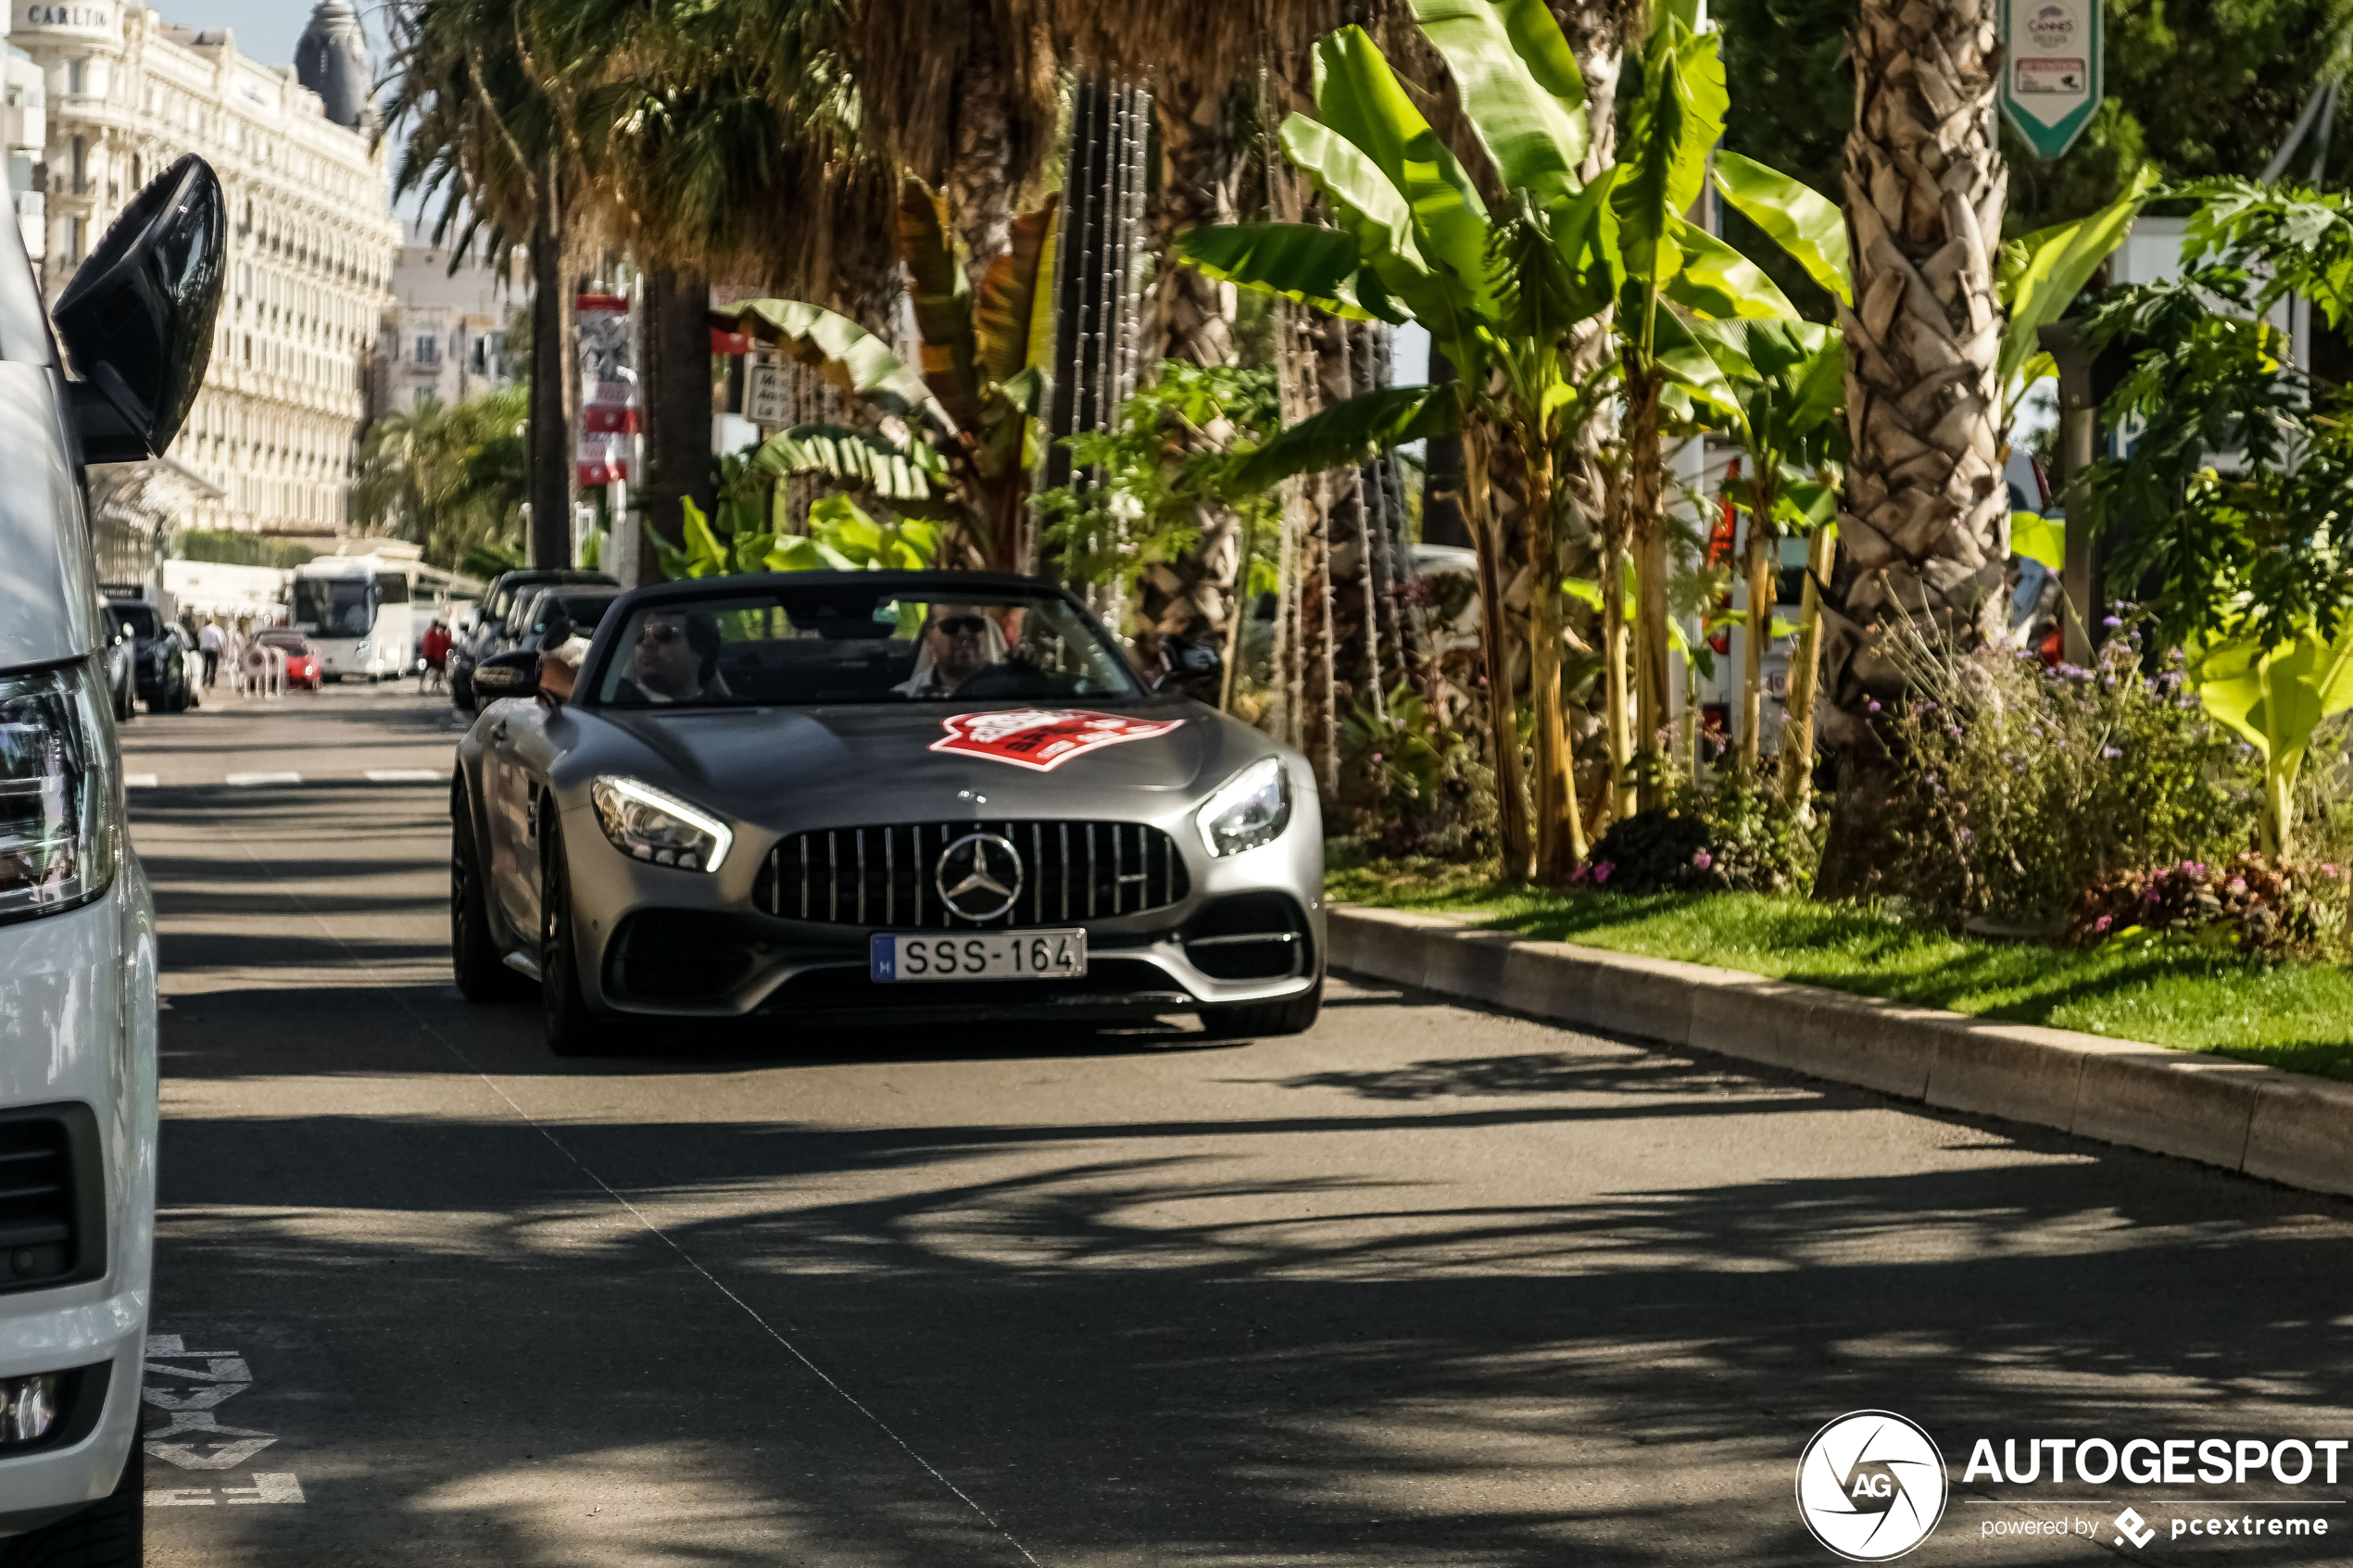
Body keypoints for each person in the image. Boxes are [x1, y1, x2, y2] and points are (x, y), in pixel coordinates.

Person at [608, 608, 722, 704]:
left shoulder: (722, 709)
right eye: (641, 635)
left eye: (663, 634)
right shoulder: (614, 696)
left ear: (698, 651)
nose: (646, 643)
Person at [892, 604, 1005, 697]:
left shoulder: (1009, 689)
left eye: (974, 624)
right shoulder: (904, 697)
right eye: (951, 626)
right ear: (930, 637)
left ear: (985, 632)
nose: (964, 633)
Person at [419, 616, 452, 694]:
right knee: (439, 672)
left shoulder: (430, 633)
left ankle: (432, 687)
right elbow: (445, 645)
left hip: (431, 655)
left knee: (437, 672)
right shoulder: (437, 635)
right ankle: (433, 687)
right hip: (434, 656)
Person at [196, 618, 222, 687]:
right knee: (214, 666)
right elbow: (220, 641)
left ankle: (203, 680)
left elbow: (199, 638)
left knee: (205, 666)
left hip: (204, 650)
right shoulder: (217, 629)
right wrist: (222, 651)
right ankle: (212, 681)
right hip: (214, 650)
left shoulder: (203, 629)